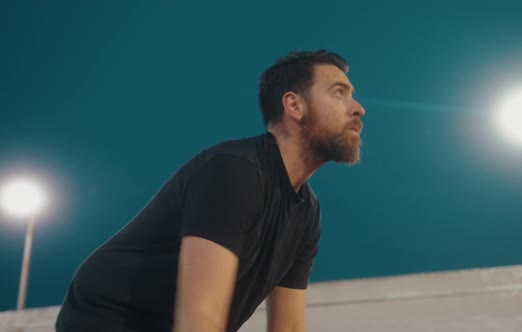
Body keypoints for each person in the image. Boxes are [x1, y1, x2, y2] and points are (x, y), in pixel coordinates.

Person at [55, 49, 366, 332]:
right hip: (108, 320)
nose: (359, 109)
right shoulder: (234, 171)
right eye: (339, 93)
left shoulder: (307, 213)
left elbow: (288, 328)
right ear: (294, 105)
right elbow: (200, 320)